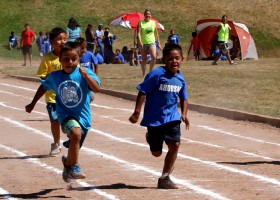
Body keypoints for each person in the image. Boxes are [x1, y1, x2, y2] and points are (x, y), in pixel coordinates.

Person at [26, 42, 101, 182]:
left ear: (79, 59)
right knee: (75, 133)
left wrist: (87, 77)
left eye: (74, 59)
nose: (69, 62)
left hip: (83, 116)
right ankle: (75, 167)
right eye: (65, 59)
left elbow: (96, 89)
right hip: (65, 114)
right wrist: (32, 103)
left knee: (76, 142)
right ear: (60, 59)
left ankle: (68, 165)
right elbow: (43, 87)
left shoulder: (85, 73)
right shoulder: (55, 76)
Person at [129, 44, 190, 189]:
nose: (174, 61)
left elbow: (184, 98)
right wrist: (137, 112)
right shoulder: (156, 74)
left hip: (172, 118)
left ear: (182, 59)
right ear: (164, 60)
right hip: (155, 119)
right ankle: (150, 138)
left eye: (177, 58)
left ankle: (165, 178)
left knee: (175, 144)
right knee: (156, 153)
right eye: (170, 59)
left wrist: (184, 114)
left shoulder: (180, 78)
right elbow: (142, 91)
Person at [25, 27, 68, 156]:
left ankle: (69, 130)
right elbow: (43, 80)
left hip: (68, 97)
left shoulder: (69, 56)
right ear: (51, 42)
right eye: (59, 39)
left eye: (65, 39)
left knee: (67, 122)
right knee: (54, 121)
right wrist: (33, 103)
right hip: (53, 98)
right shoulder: (48, 59)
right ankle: (56, 143)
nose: (62, 41)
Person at [137, 9, 162, 76]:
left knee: (154, 57)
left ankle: (150, 72)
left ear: (150, 15)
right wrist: (140, 42)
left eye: (149, 14)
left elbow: (156, 34)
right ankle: (143, 73)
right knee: (144, 59)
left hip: (152, 42)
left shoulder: (153, 23)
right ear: (144, 15)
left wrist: (159, 43)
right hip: (143, 43)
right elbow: (138, 33)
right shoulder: (141, 22)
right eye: (146, 14)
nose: (147, 15)